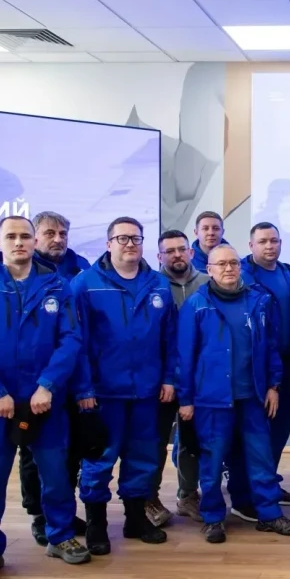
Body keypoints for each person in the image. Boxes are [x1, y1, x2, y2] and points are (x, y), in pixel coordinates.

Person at [0, 215, 91, 579]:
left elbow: (70, 341)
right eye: (11, 236)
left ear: (34, 242)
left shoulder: (57, 287)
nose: (19, 242)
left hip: (45, 403)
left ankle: (60, 537)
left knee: (56, 476)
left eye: (25, 236)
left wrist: (48, 386)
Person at [177, 244, 290, 543]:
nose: (229, 269)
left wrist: (273, 385)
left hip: (253, 397)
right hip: (211, 399)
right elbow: (184, 356)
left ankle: (269, 514)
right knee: (212, 461)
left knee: (261, 458)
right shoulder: (197, 305)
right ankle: (212, 518)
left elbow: (271, 347)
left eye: (233, 263)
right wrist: (186, 400)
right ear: (209, 269)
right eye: (221, 264)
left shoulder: (259, 301)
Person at [70, 217, 174, 554]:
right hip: (103, 393)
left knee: (143, 457)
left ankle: (136, 519)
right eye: (122, 238)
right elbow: (76, 341)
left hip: (147, 391)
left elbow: (170, 338)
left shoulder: (158, 284)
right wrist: (83, 389)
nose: (130, 244)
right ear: (108, 244)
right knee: (99, 459)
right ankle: (97, 524)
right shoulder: (85, 284)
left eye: (136, 238)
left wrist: (169, 378)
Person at [18, 210, 89, 546]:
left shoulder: (82, 270)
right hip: (35, 384)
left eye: (62, 233)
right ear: (35, 237)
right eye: (50, 233)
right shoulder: (23, 273)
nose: (58, 239)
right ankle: (38, 515)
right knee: (33, 453)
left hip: (73, 378)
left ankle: (62, 511)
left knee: (70, 450)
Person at [236, 222, 290, 511]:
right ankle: (246, 491)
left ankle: (268, 482)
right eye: (263, 241)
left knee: (281, 426)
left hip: (287, 363)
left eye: (274, 241)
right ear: (251, 245)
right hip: (254, 367)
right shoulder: (241, 276)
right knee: (253, 432)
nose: (269, 246)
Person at [153, 229, 210, 525]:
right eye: (169, 251)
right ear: (159, 256)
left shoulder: (208, 283)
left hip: (198, 377)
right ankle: (149, 498)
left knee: (191, 439)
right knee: (155, 442)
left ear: (191, 252)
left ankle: (188, 495)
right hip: (160, 379)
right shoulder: (152, 285)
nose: (176, 255)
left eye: (181, 249)